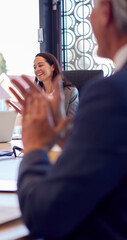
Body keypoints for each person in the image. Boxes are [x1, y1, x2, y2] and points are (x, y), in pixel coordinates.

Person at [7, 0, 127, 238]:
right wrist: (73, 140)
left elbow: (45, 215)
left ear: (106, 12)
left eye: (92, 9)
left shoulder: (111, 93)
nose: (90, 19)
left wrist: (34, 146)